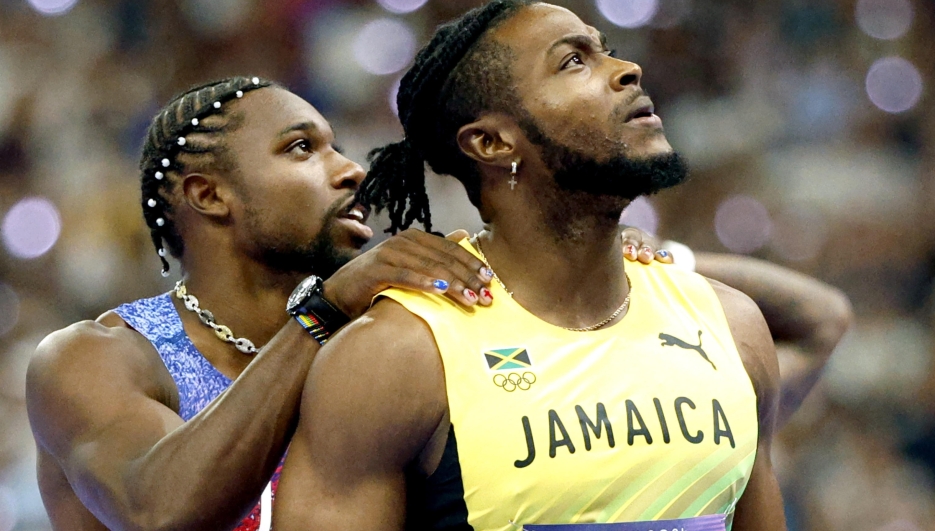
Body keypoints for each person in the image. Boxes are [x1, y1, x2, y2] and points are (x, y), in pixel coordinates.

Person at [273, 2, 850, 529]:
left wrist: (677, 261)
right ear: (493, 143)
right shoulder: (397, 355)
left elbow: (827, 320)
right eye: (574, 61)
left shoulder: (732, 325)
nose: (628, 70)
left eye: (608, 49)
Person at [25, 77, 500, 531]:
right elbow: (158, 510)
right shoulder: (91, 359)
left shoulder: (376, 342)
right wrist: (321, 312)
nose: (352, 170)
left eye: (336, 147)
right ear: (209, 195)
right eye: (301, 148)